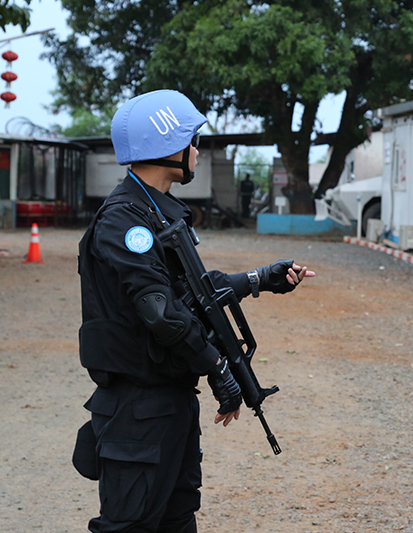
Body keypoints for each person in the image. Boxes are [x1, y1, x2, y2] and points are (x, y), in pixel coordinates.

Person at [75, 89, 315, 533]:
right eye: (191, 140)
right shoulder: (124, 221)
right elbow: (161, 311)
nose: (197, 151)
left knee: (177, 519)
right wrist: (217, 366)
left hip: (168, 402)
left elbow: (193, 293)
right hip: (136, 407)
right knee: (130, 525)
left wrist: (261, 279)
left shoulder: (159, 214)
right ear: (165, 146)